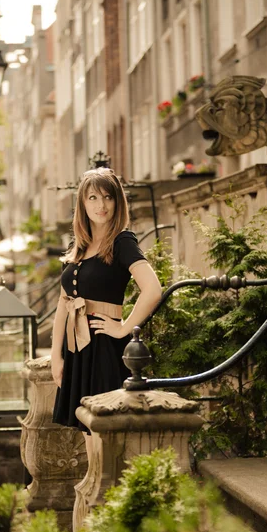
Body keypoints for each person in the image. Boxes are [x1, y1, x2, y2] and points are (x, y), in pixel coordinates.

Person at [51, 167, 162, 445]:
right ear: (82, 204)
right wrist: (56, 356)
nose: (101, 205)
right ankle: (96, 488)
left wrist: (124, 328)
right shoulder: (80, 245)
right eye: (92, 198)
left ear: (117, 201)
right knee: (87, 429)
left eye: (107, 197)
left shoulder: (122, 241)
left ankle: (109, 488)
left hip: (103, 347)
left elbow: (152, 289)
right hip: (77, 349)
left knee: (106, 431)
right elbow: (63, 307)